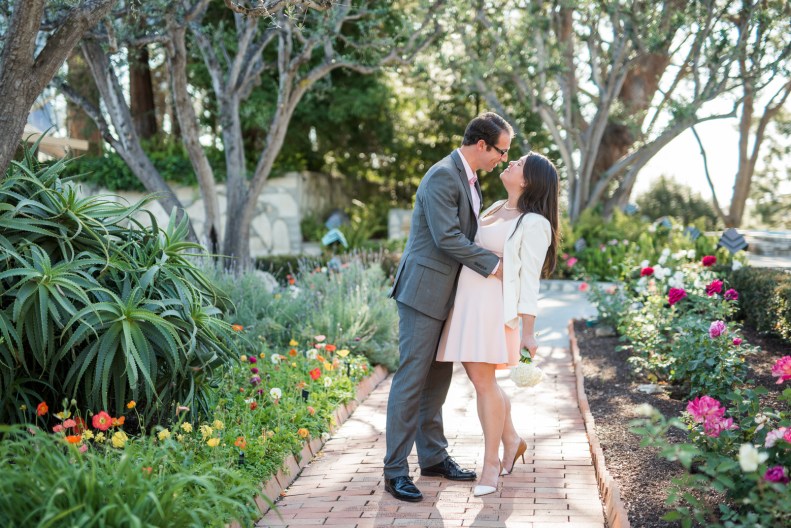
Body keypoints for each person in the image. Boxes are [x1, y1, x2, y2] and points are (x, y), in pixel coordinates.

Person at [383, 113, 514, 502]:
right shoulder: (443, 174)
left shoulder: (470, 179)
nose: (503, 159)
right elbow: (446, 237)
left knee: (437, 381)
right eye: (501, 151)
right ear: (481, 145)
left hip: (448, 296)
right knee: (411, 380)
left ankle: (434, 458)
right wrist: (494, 265)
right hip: (423, 293)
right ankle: (394, 472)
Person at [436, 151, 560, 497]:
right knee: (484, 381)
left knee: (483, 383)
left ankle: (491, 463)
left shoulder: (535, 223)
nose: (511, 163)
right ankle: (511, 438)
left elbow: (530, 280)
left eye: (519, 164)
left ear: (529, 180)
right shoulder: (492, 207)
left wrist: (529, 331)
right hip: (468, 303)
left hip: (492, 308)